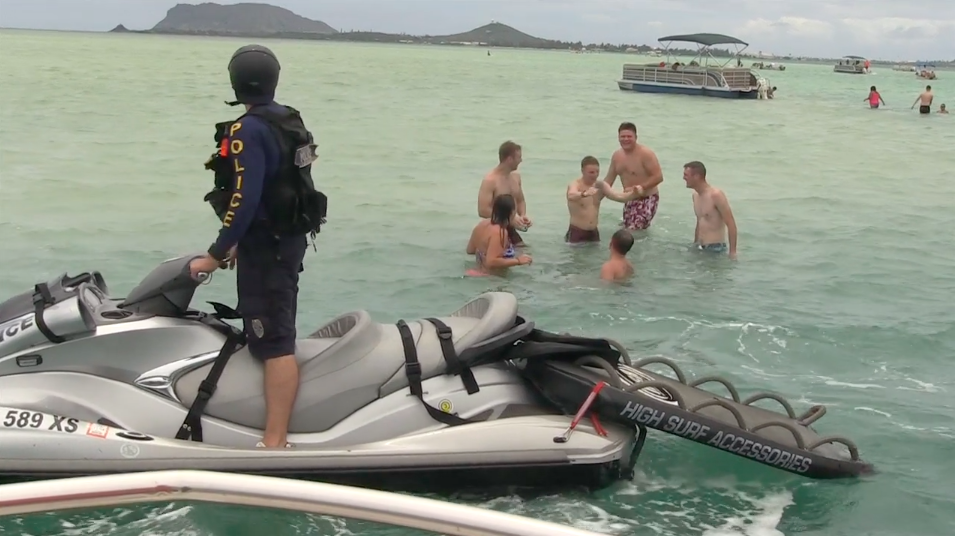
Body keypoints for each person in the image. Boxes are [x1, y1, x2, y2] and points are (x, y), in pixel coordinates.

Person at [189, 44, 327, 449]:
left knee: (275, 342)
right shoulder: (288, 119)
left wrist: (216, 253)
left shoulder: (246, 130)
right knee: (275, 327)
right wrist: (240, 242)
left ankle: (275, 441)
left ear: (236, 83)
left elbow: (244, 198)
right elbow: (281, 184)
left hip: (268, 248)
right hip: (287, 241)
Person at [603, 122, 664, 231]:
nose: (626, 139)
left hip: (647, 198)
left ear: (636, 137)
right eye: (623, 136)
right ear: (618, 138)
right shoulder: (617, 156)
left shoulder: (645, 154)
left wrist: (641, 187)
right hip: (629, 199)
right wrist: (593, 195)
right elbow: (608, 181)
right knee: (627, 229)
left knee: (633, 230)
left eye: (629, 136)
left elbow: (658, 177)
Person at [565, 156, 640, 244]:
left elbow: (619, 197)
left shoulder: (600, 185)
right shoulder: (575, 184)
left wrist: (634, 194)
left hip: (593, 233)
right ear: (582, 171)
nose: (595, 175)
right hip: (577, 232)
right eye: (591, 172)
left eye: (597, 172)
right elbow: (571, 195)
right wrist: (584, 194)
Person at [477, 141, 531, 246]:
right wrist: (510, 219)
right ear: (509, 159)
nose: (521, 160)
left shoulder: (516, 177)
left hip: (510, 227)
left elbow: (520, 200)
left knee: (523, 250)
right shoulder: (490, 181)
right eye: (519, 157)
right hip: (495, 227)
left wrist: (523, 216)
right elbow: (482, 210)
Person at [682, 161, 737, 259]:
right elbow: (699, 222)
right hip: (700, 247)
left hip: (715, 249)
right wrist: (695, 244)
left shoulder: (716, 195)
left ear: (696, 176)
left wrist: (732, 252)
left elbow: (731, 223)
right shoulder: (695, 196)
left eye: (686, 175)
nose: (683, 178)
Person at [466, 194, 531, 275]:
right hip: (491, 277)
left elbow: (470, 250)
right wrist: (518, 261)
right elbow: (491, 262)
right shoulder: (500, 232)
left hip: (475, 272)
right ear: (511, 213)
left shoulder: (482, 224)